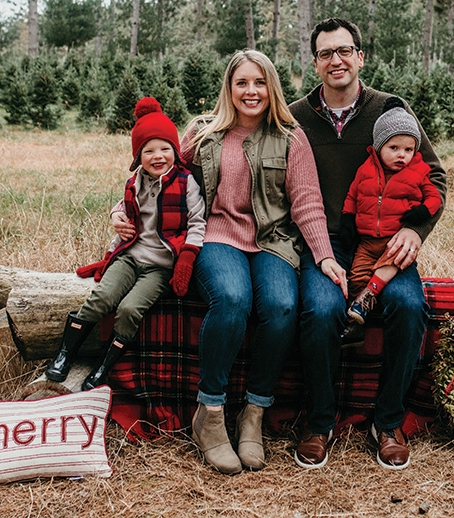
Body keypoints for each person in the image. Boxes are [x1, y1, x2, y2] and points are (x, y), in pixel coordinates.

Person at [122, 50, 344, 475]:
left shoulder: (291, 137)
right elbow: (154, 175)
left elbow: (307, 203)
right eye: (242, 83)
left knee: (281, 305)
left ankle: (254, 414)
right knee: (233, 298)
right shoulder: (202, 134)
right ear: (229, 87)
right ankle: (209, 415)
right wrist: (123, 212)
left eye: (259, 83)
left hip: (272, 241)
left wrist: (325, 257)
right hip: (216, 235)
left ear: (271, 88)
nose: (251, 91)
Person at [289, 18, 447, 470]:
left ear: (360, 56)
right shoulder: (297, 116)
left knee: (410, 306)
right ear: (315, 62)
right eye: (325, 54)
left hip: (384, 242)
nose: (335, 60)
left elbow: (434, 175)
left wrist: (415, 231)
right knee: (320, 310)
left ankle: (388, 420)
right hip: (324, 241)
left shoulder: (391, 110)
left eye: (344, 51)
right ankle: (319, 421)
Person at [45, 97, 206, 393]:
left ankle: (105, 365)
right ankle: (64, 354)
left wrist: (186, 257)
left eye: (165, 149)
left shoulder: (186, 183)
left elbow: (198, 222)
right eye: (149, 150)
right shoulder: (136, 181)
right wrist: (116, 214)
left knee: (130, 309)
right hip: (130, 256)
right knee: (102, 298)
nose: (158, 156)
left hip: (159, 266)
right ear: (138, 156)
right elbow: (124, 204)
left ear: (175, 151)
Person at [341, 96, 443, 333]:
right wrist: (347, 218)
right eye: (394, 148)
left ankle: (369, 294)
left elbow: (434, 197)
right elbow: (352, 196)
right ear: (379, 146)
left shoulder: (418, 172)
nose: (402, 155)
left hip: (393, 239)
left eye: (408, 150)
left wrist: (421, 215)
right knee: (356, 276)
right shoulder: (365, 170)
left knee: (391, 263)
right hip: (367, 241)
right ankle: (359, 314)